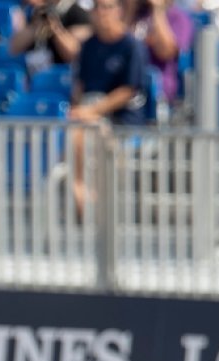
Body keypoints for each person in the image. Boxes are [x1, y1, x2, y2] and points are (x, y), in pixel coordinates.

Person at [68, 0, 147, 215]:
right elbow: (80, 86)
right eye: (97, 7)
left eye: (108, 7)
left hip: (121, 118)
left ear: (119, 11)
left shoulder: (131, 46)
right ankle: (80, 189)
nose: (102, 13)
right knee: (74, 129)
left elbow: (128, 90)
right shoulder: (89, 45)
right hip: (89, 112)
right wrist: (79, 108)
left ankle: (87, 192)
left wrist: (92, 111)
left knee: (86, 131)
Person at [125, 0, 194, 115]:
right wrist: (130, 7)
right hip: (127, 84)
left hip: (157, 86)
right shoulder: (136, 15)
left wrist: (158, 11)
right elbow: (120, 47)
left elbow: (166, 52)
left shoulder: (178, 18)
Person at [6, 0, 92, 80]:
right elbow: (12, 48)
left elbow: (74, 54)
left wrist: (55, 28)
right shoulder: (36, 11)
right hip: (34, 75)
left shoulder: (76, 12)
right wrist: (35, 26)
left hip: (64, 78)